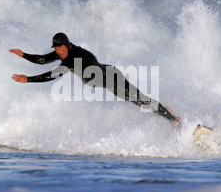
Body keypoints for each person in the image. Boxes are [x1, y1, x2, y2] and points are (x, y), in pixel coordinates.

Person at [10, 32, 180, 125]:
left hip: (111, 78)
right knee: (139, 100)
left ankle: (173, 120)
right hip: (105, 77)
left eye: (61, 48)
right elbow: (42, 60)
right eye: (56, 49)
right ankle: (167, 111)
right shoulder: (63, 52)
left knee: (139, 100)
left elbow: (53, 74)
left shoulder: (73, 58)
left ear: (68, 45)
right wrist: (24, 54)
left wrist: (29, 79)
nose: (59, 51)